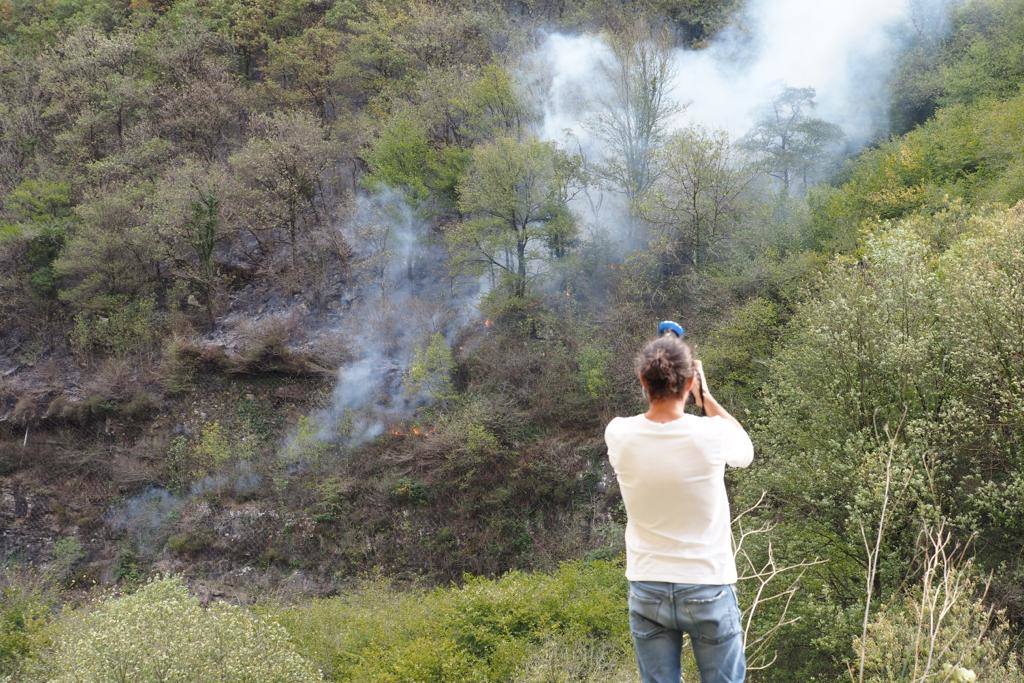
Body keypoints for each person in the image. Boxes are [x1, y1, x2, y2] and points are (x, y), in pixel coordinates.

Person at [604, 332, 754, 683]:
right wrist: (706, 397)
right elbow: (744, 452)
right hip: (707, 583)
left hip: (648, 584)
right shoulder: (712, 434)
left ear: (643, 381)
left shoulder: (619, 434)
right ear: (689, 382)